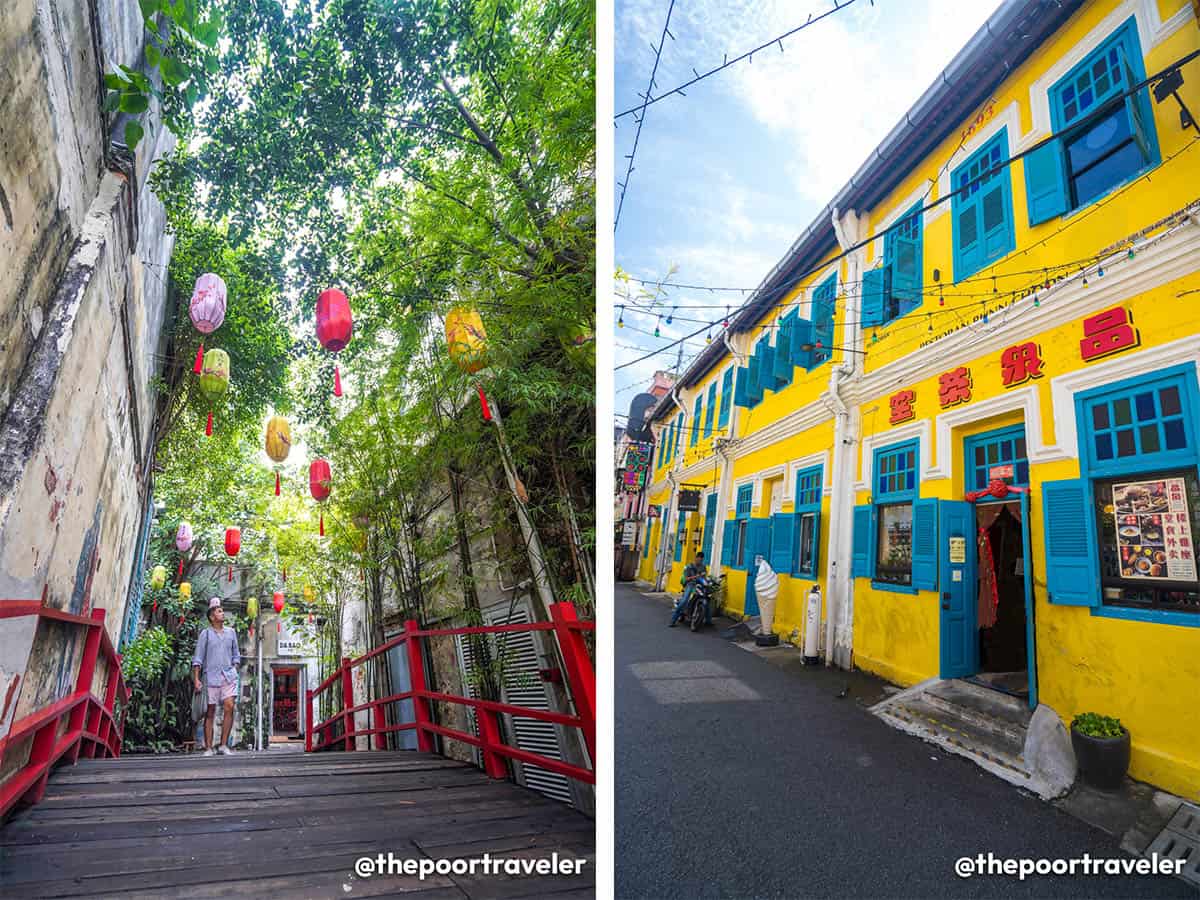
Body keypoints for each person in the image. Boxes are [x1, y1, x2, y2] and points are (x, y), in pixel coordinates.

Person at [192, 598, 241, 756]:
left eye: (222, 610)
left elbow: (236, 654)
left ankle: (223, 745)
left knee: (229, 706)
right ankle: (208, 748)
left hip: (228, 676)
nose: (222, 613)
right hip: (210, 677)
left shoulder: (231, 632)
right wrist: (197, 679)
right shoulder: (205, 634)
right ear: (212, 617)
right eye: (219, 611)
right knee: (210, 712)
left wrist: (235, 667)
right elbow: (198, 658)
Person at [669, 551, 707, 627]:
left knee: (707, 598)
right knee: (684, 601)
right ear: (696, 558)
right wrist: (697, 576)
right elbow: (686, 579)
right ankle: (673, 620)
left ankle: (708, 621)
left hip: (699, 585)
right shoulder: (689, 567)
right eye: (699, 559)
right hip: (690, 584)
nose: (700, 561)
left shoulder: (703, 567)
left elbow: (704, 577)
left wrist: (705, 578)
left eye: (702, 560)